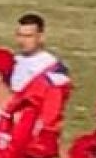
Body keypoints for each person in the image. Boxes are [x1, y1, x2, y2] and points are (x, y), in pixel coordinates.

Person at [9, 13, 70, 147]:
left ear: (41, 37)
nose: (22, 41)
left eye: (28, 36)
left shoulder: (53, 67)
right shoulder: (13, 62)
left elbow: (54, 107)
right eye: (20, 35)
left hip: (35, 133)